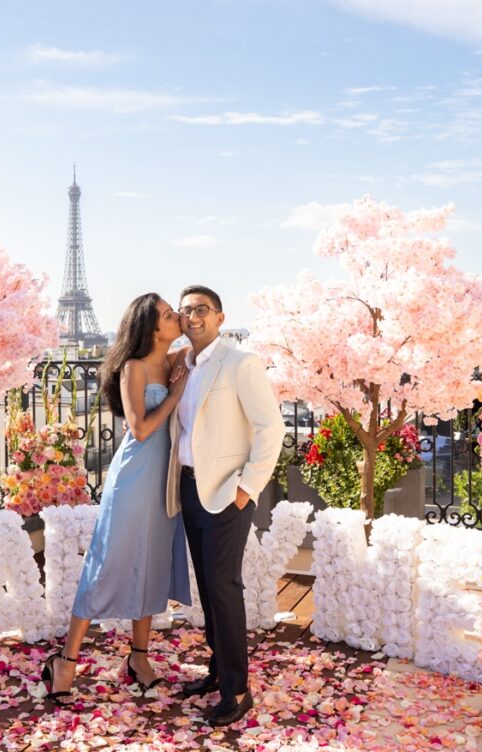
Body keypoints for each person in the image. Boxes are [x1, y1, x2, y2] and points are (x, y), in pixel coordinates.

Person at [41, 293, 193, 704]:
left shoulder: (178, 359)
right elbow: (141, 429)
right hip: (134, 477)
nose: (176, 316)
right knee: (106, 562)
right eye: (167, 314)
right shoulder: (134, 367)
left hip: (165, 479)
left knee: (152, 563)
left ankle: (139, 658)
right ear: (151, 327)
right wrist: (175, 397)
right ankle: (65, 662)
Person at [166, 285, 284, 727]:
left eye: (201, 309)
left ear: (220, 316)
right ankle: (217, 672)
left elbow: (270, 429)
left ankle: (236, 690)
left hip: (226, 494)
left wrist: (247, 488)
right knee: (209, 588)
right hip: (191, 488)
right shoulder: (183, 366)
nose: (193, 317)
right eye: (186, 311)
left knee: (224, 586)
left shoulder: (241, 362)